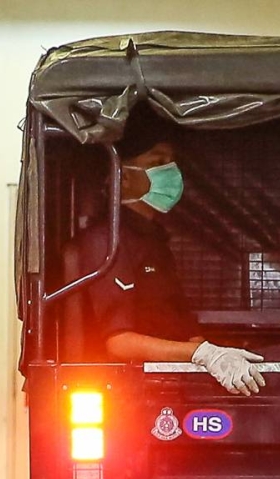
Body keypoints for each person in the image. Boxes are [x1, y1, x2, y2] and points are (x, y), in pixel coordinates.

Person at [63, 118, 265, 396]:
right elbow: (119, 342)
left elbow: (178, 321)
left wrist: (217, 353)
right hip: (129, 388)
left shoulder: (155, 240)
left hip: (171, 380)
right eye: (158, 162)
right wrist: (202, 354)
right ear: (123, 177)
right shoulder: (106, 242)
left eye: (172, 162)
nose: (170, 172)